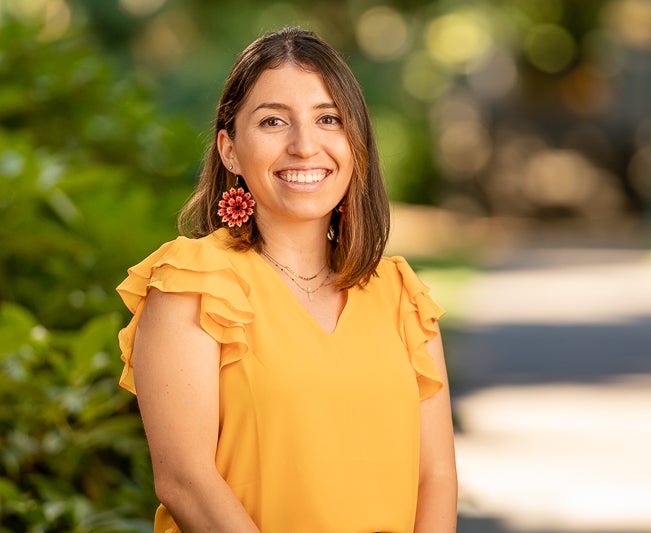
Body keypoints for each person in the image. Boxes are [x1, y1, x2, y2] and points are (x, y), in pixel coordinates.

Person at [116, 27, 457, 532]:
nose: (304, 145)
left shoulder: (401, 295)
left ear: (355, 143)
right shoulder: (192, 283)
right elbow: (185, 480)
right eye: (274, 121)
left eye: (328, 119)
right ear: (229, 149)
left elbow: (437, 476)